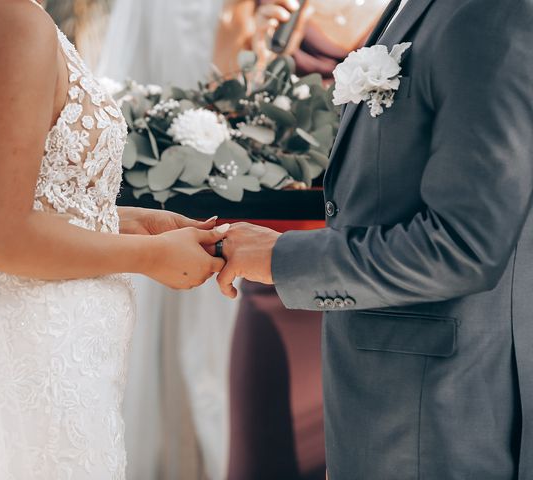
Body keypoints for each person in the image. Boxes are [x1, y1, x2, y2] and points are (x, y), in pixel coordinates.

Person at [0, 0, 229, 477]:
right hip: (39, 369)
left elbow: (15, 195)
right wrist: (149, 256)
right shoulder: (6, 21)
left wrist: (125, 222)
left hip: (52, 358)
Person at [217, 0, 533, 478]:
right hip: (383, 393)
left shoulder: (492, 12)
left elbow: (464, 246)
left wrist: (282, 258)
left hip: (433, 414)